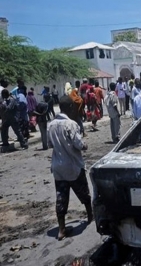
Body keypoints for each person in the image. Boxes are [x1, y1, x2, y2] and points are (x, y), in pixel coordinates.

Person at [47, 95, 92, 241]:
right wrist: (85, 145)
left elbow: (50, 145)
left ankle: (61, 229)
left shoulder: (51, 125)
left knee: (61, 197)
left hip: (58, 167)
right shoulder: (71, 124)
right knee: (83, 192)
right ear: (70, 107)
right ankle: (90, 216)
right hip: (73, 165)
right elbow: (79, 144)